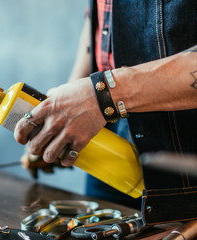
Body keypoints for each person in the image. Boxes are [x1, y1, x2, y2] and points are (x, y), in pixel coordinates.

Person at [14, 0, 197, 224]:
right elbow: (101, 20)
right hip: (110, 131)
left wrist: (100, 95)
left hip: (185, 158)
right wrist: (62, 115)